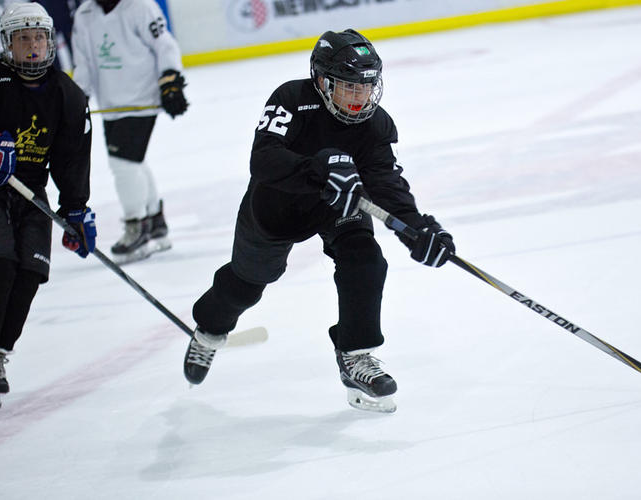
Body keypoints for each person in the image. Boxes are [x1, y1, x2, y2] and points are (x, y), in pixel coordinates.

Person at [183, 29, 455, 413]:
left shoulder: (375, 125)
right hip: (277, 207)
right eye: (349, 87)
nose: (360, 98)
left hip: (338, 205)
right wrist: (319, 166)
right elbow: (263, 158)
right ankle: (210, 330)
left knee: (365, 260)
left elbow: (385, 181)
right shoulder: (292, 100)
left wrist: (417, 227)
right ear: (323, 81)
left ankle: (355, 355)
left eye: (367, 87)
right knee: (246, 286)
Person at [0, 2, 96, 409]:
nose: (32, 47)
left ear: (50, 42)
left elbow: (72, 159)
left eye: (39, 38)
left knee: (31, 272)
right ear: (8, 44)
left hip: (31, 191)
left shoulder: (68, 94)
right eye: (23, 39)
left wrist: (75, 209)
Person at [71, 0, 188, 264]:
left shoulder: (141, 7)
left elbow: (165, 44)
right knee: (133, 162)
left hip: (142, 99)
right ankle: (156, 222)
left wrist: (170, 78)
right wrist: (78, 98)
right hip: (111, 103)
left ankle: (137, 226)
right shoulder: (85, 13)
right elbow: (84, 62)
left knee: (122, 164)